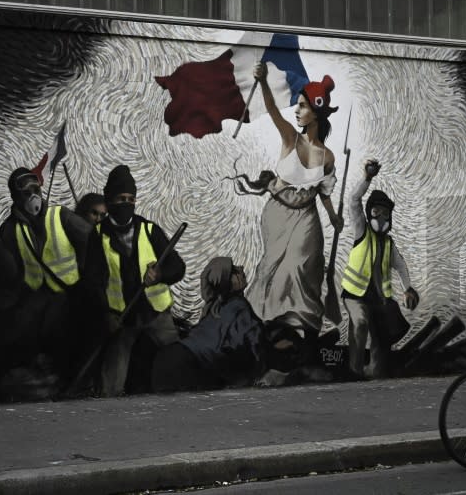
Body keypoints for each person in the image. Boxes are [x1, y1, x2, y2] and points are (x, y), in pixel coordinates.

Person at [242, 61, 344, 359]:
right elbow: (273, 110)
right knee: (272, 270)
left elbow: (324, 191)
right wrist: (261, 82)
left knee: (303, 269)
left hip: (307, 217)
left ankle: (308, 337)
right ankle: (270, 335)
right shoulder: (290, 137)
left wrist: (334, 216)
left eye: (302, 106)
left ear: (317, 111)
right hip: (278, 213)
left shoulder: (328, 156)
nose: (297, 111)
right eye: (298, 105)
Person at [0, 167, 93, 398]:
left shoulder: (60, 216)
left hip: (71, 292)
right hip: (37, 296)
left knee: (70, 332)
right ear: (15, 197)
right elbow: (10, 272)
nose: (33, 196)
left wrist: (85, 275)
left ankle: (76, 383)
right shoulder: (10, 229)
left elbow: (92, 241)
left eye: (36, 189)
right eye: (26, 192)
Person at [84, 164, 186, 396]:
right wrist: (106, 314)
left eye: (131, 198)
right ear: (109, 201)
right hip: (122, 318)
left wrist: (160, 275)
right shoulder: (98, 236)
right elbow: (92, 281)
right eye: (121, 198)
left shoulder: (150, 230)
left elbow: (178, 267)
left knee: (178, 361)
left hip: (156, 313)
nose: (127, 204)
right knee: (111, 386)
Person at [341, 159, 419, 379]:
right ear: (369, 213)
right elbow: (354, 200)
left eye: (385, 213)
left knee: (380, 337)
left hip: (378, 298)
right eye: (376, 211)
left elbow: (401, 266)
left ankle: (374, 372)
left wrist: (408, 288)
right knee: (361, 322)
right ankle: (353, 371)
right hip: (355, 294)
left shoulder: (389, 243)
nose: (381, 217)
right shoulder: (361, 230)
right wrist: (367, 178)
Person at [151, 257, 265, 392]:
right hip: (188, 365)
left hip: (168, 358)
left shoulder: (213, 309)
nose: (240, 268)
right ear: (227, 282)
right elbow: (255, 343)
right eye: (234, 270)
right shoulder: (238, 306)